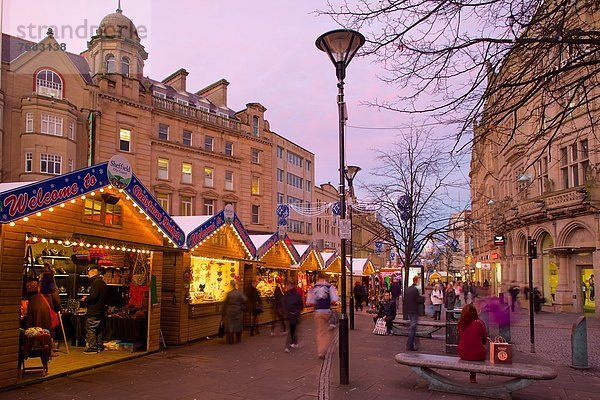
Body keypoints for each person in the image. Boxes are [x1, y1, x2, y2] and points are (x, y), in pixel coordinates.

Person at [306, 271, 339, 359]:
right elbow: (334, 299)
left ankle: (321, 351)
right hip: (327, 312)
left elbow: (310, 301)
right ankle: (325, 348)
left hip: (318, 312)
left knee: (320, 332)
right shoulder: (330, 287)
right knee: (329, 331)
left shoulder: (313, 288)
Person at [457, 303, 488, 384]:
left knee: (470, 348)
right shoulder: (480, 323)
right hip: (478, 354)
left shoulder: (460, 324)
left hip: (462, 353)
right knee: (481, 350)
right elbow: (484, 340)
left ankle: (472, 375)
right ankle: (480, 373)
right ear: (475, 313)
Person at [26, 267, 61, 336]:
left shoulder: (35, 283)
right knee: (44, 331)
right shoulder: (50, 282)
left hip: (32, 309)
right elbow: (55, 297)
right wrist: (58, 306)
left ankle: (33, 344)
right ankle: (44, 344)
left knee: (33, 331)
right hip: (44, 311)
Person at [82, 267, 108, 354]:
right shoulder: (103, 283)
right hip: (101, 310)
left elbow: (93, 296)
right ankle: (99, 345)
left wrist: (85, 299)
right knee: (99, 329)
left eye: (89, 274)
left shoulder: (95, 283)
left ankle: (92, 347)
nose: (88, 276)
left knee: (91, 328)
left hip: (94, 310)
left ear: (92, 274)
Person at [222, 280, 248, 344]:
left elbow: (225, 303)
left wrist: (223, 312)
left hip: (229, 310)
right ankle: (238, 338)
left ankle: (230, 339)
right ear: (235, 285)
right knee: (237, 324)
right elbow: (245, 299)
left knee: (230, 324)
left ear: (230, 285)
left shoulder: (229, 294)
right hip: (237, 310)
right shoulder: (239, 293)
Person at [404, 275, 424, 351]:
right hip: (414, 311)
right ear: (417, 280)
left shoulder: (408, 289)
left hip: (409, 310)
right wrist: (423, 298)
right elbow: (418, 300)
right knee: (413, 328)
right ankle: (409, 345)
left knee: (413, 327)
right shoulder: (415, 290)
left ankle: (414, 344)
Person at [283, 280, 303, 353]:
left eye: (287, 286)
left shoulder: (287, 295)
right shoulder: (296, 295)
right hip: (294, 315)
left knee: (292, 330)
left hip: (290, 315)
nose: (287, 287)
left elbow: (284, 305)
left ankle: (287, 346)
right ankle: (294, 342)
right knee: (293, 330)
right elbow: (301, 305)